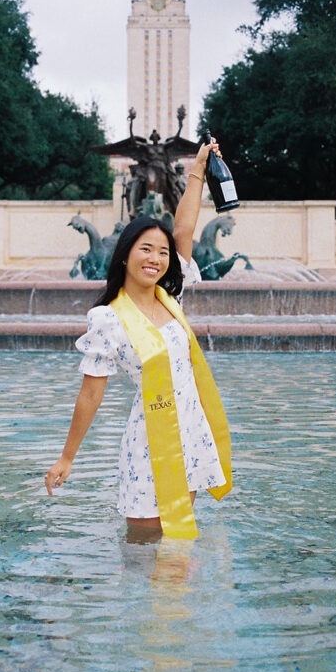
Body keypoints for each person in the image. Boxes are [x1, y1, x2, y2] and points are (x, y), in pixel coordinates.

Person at [44, 138, 232, 539]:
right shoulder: (108, 318)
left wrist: (198, 167)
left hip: (190, 431)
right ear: (126, 255)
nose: (156, 258)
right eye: (146, 249)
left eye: (163, 253)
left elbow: (183, 226)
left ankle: (177, 602)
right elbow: (91, 394)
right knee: (145, 545)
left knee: (178, 546)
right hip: (150, 439)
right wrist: (66, 457)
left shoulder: (171, 296)